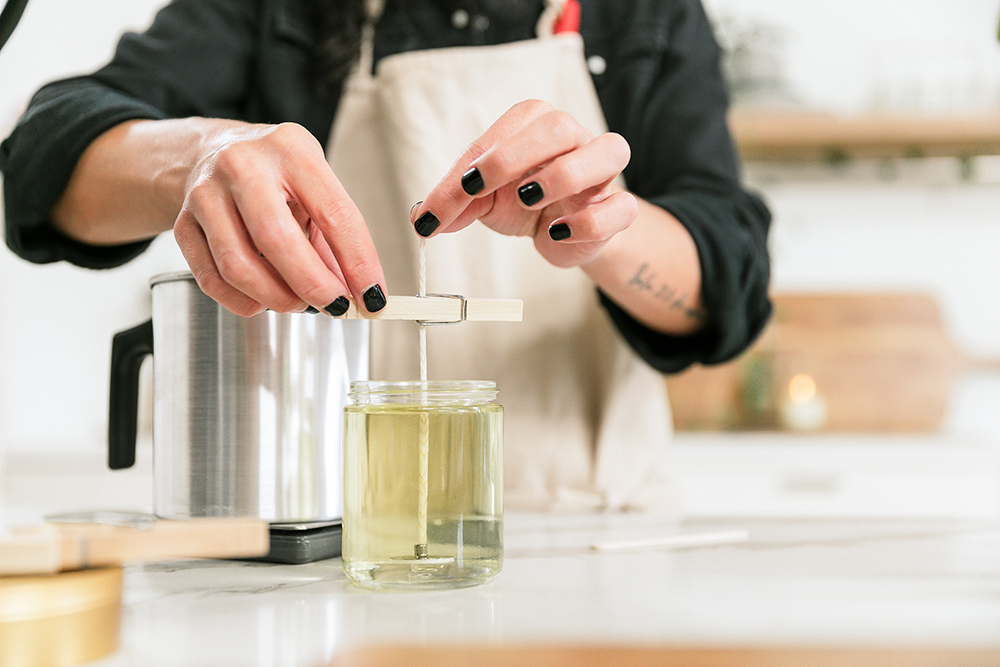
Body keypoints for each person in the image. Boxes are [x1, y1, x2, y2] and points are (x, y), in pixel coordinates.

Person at [1, 0, 772, 512]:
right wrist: (197, 155)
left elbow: (728, 282)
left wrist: (601, 227)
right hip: (327, 538)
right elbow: (41, 159)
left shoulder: (643, 14)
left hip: (594, 534)